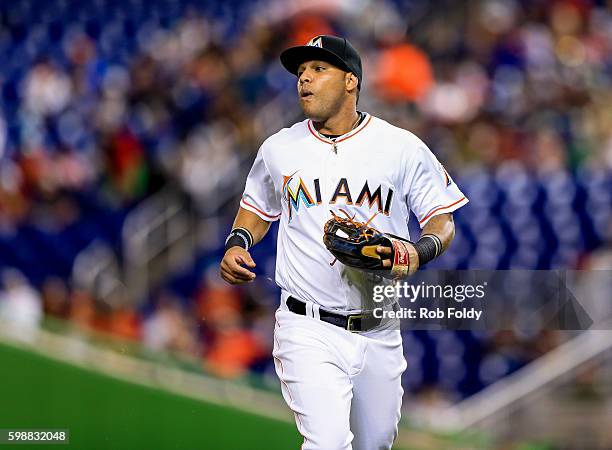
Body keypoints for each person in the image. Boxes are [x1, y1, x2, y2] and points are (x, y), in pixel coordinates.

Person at [220, 35, 468, 450]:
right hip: (307, 325)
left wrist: (417, 251)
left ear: (351, 80)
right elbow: (256, 209)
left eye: (318, 69)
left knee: (375, 445)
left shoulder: (400, 147)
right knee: (329, 442)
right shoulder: (280, 148)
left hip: (380, 328)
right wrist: (236, 242)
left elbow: (442, 222)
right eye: (301, 72)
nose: (305, 79)